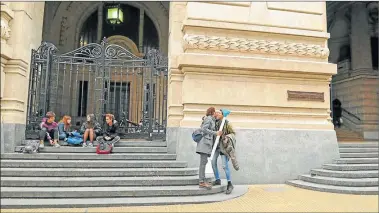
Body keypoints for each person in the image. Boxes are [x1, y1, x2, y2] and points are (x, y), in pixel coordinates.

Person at [211, 109, 239, 194]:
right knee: (213, 162)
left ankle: (229, 184)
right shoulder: (213, 122)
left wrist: (225, 136)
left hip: (223, 147)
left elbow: (233, 133)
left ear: (222, 114)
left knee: (224, 165)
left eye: (219, 113)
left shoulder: (226, 123)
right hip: (215, 147)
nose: (217, 114)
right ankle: (217, 179)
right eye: (216, 113)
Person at [196, 107, 222, 190]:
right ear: (212, 112)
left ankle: (202, 181)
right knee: (203, 163)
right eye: (215, 112)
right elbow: (204, 129)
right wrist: (215, 133)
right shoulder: (209, 119)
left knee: (204, 162)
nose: (216, 113)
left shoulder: (210, 119)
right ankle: (201, 182)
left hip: (206, 143)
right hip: (204, 143)